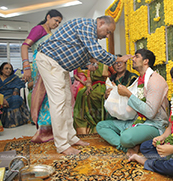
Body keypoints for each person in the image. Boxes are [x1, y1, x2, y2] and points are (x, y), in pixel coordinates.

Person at [35, 15, 131, 155]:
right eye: (108, 31)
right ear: (101, 23)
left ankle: (71, 137)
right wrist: (117, 58)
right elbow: (96, 52)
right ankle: (62, 145)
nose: (106, 36)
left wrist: (87, 65)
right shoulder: (86, 25)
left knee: (68, 102)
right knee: (59, 103)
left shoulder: (88, 34)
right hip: (49, 61)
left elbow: (76, 56)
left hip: (60, 66)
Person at [96, 49, 169, 155]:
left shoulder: (155, 80)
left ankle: (129, 141)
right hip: (136, 120)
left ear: (145, 61)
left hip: (153, 124)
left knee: (126, 137)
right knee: (101, 126)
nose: (132, 59)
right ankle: (128, 147)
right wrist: (113, 93)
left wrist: (128, 94)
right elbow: (129, 104)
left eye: (136, 56)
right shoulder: (139, 80)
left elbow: (150, 113)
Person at [21, 9, 63, 143]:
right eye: (56, 20)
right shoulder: (39, 29)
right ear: (48, 17)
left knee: (51, 98)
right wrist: (26, 66)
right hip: (40, 67)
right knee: (43, 97)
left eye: (59, 22)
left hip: (50, 68)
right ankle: (42, 132)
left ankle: (49, 131)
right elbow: (24, 46)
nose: (57, 24)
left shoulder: (50, 33)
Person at [73, 63, 115, 134]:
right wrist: (89, 85)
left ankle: (97, 121)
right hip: (93, 85)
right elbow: (89, 79)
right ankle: (85, 123)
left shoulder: (106, 64)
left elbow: (114, 74)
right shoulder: (91, 66)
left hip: (104, 85)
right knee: (82, 93)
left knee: (95, 95)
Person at [0, 63, 30, 128]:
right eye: (6, 68)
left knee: (16, 98)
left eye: (10, 69)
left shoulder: (14, 78)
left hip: (11, 95)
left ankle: (16, 122)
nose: (8, 70)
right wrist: (1, 98)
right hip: (0, 96)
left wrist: (16, 90)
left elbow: (20, 84)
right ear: (1, 70)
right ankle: (6, 122)